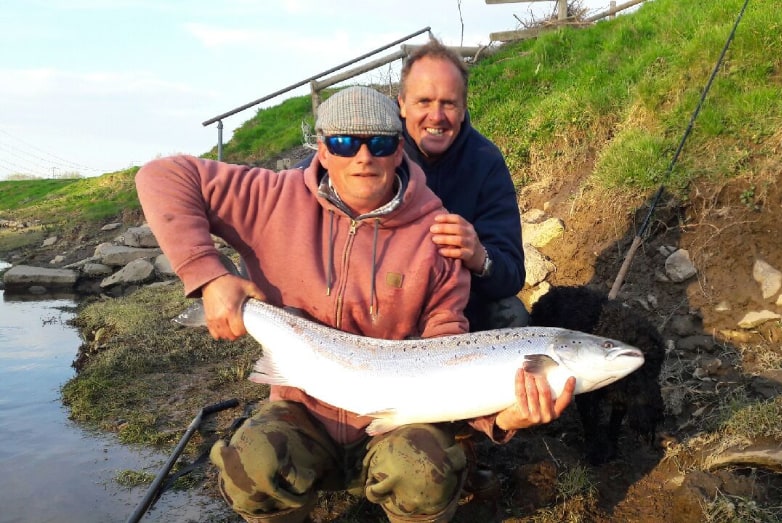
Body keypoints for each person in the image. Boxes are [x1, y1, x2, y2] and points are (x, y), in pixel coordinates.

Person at [135, 86, 575, 523]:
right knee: (250, 466)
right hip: (302, 409)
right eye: (345, 143)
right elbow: (161, 175)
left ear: (398, 149)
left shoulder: (438, 235)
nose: (363, 157)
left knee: (425, 473)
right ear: (322, 151)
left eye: (379, 143)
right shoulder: (270, 198)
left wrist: (502, 418)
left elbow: (451, 354)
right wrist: (209, 276)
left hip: (398, 428)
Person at [296, 40, 528, 332]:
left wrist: (479, 256)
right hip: (367, 303)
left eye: (448, 103)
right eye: (424, 102)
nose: (436, 117)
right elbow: (290, 189)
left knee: (511, 313)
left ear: (463, 106)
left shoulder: (486, 161)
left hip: (449, 310)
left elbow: (511, 273)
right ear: (401, 104)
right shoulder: (370, 146)